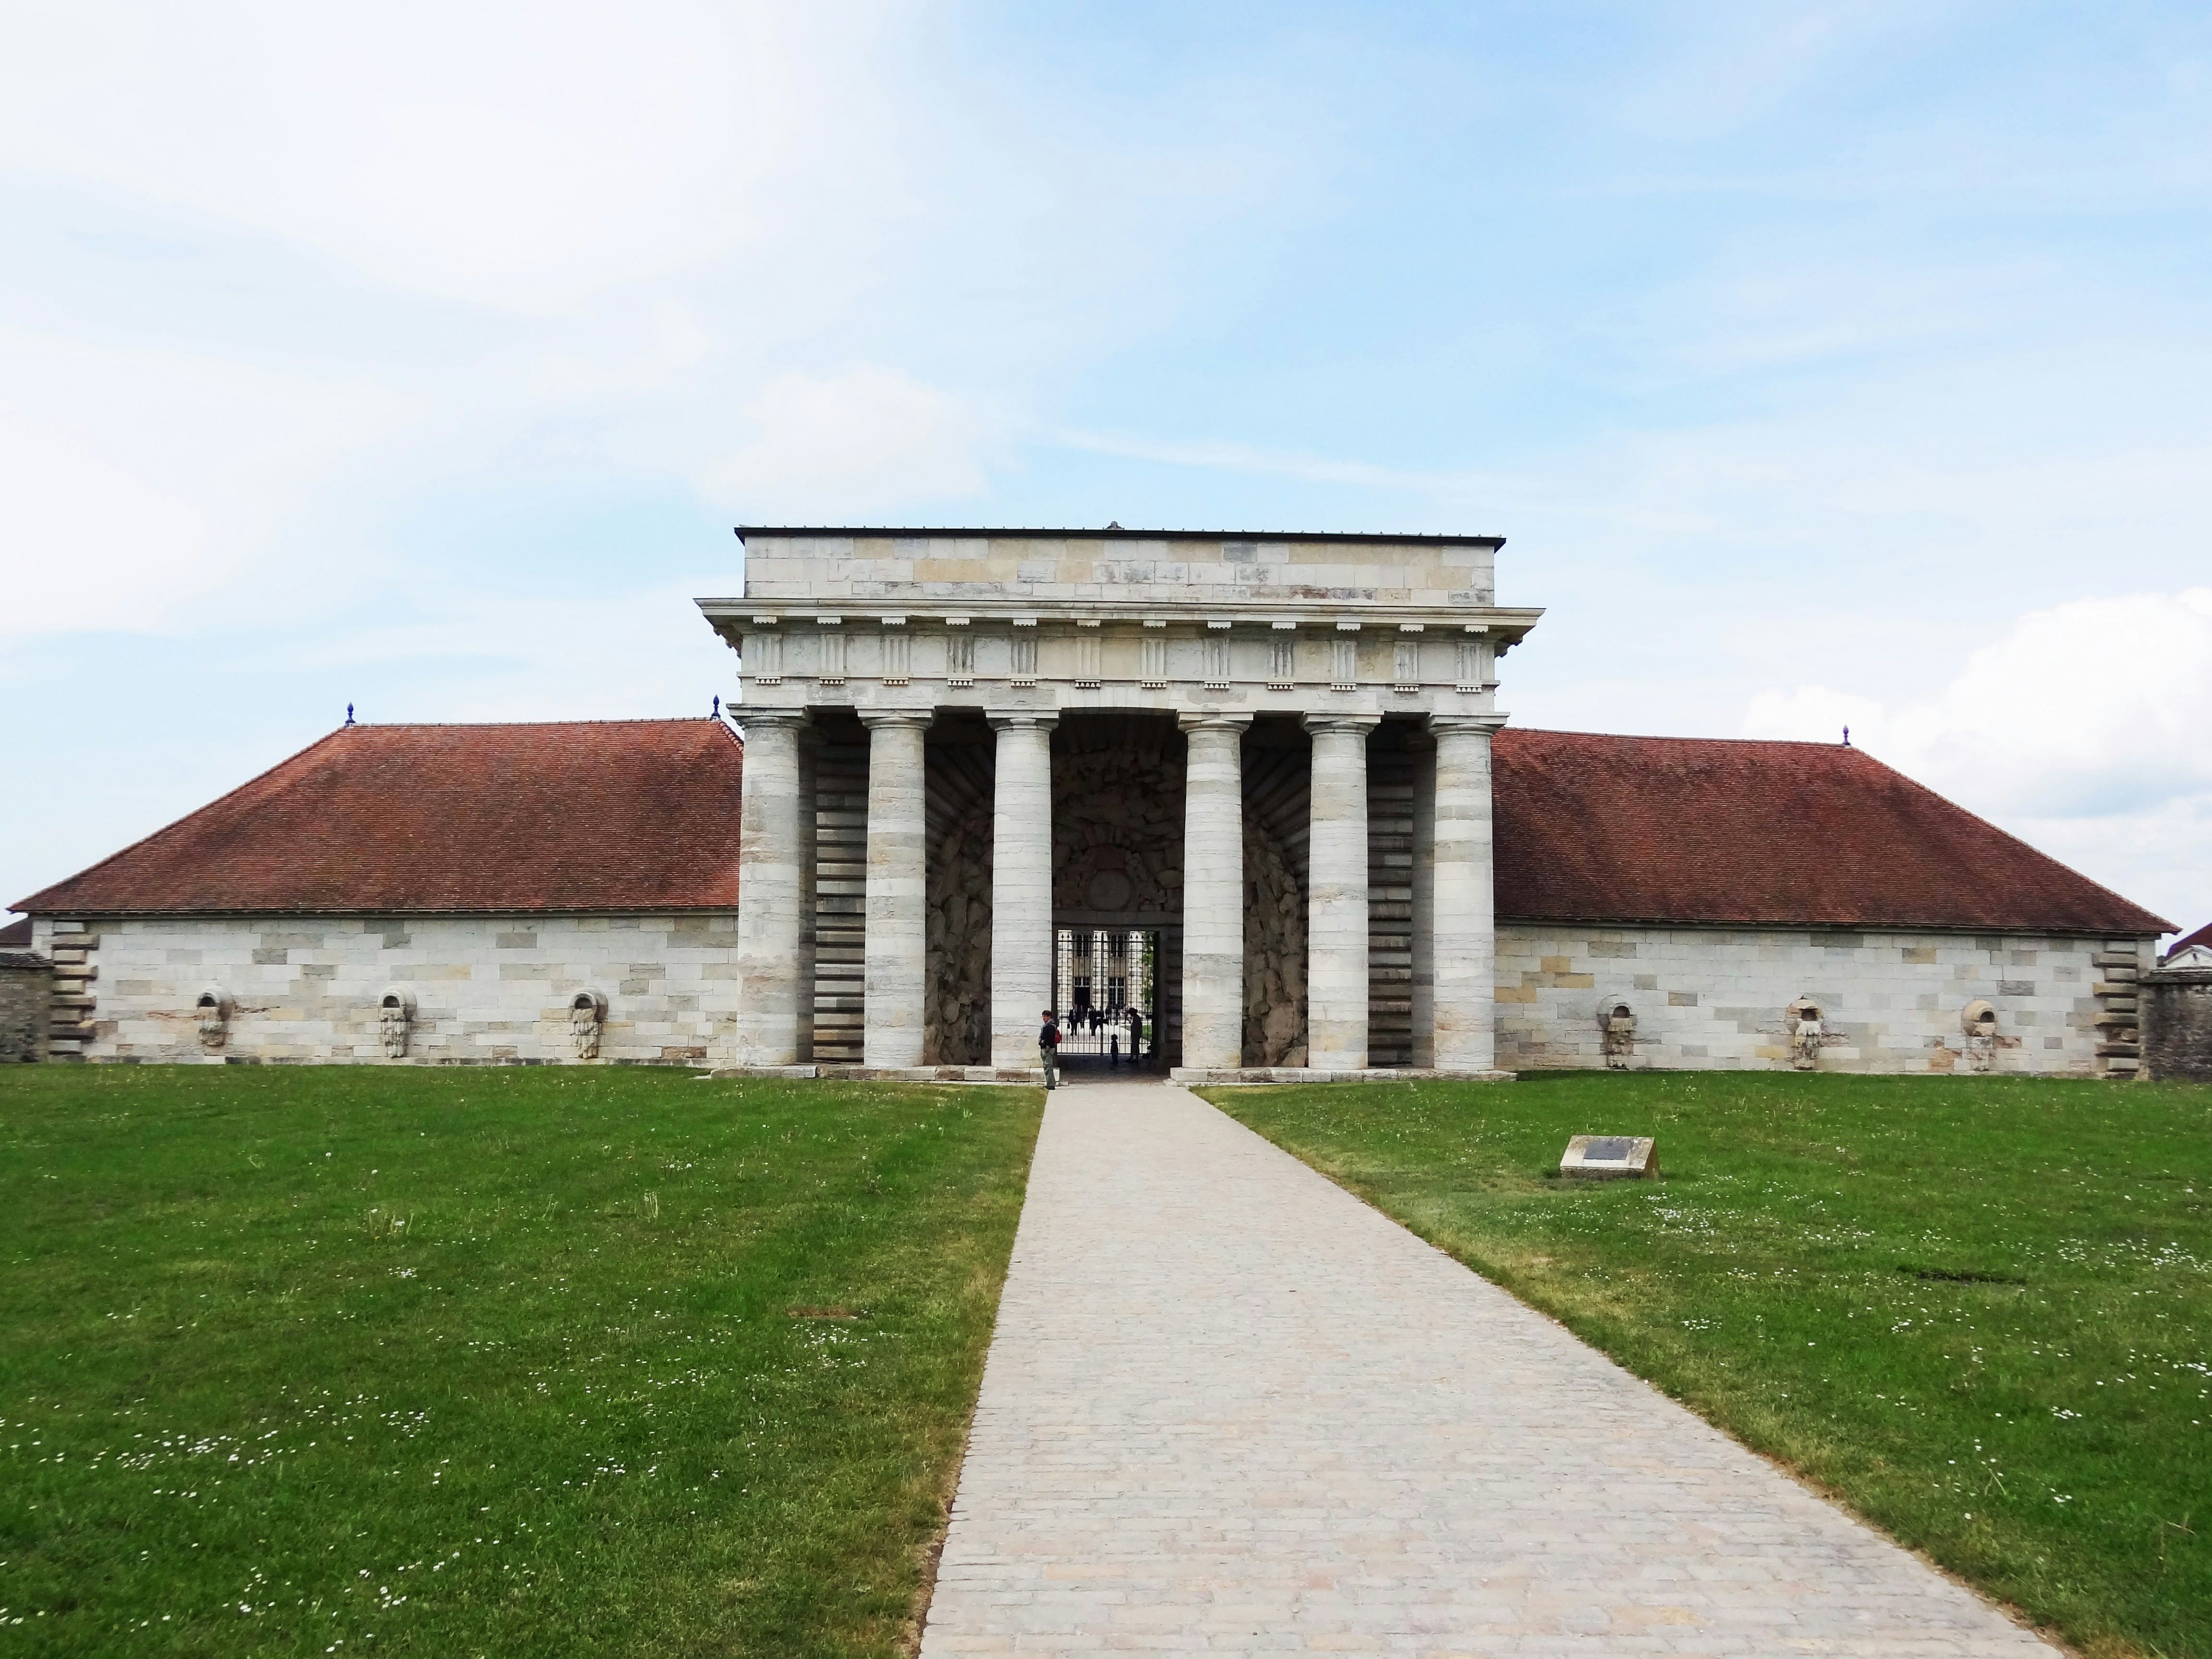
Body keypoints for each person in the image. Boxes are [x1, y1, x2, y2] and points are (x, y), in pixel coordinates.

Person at [1038, 1007, 1060, 1090]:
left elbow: (1050, 1038)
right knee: (1047, 1066)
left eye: (1045, 1016)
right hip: (1046, 1048)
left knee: (1048, 1067)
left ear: (1049, 1017)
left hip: (1048, 1049)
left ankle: (1051, 1084)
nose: (1044, 1018)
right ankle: (1050, 1083)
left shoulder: (1050, 1026)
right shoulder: (1048, 1025)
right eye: (1043, 1016)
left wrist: (1047, 1047)